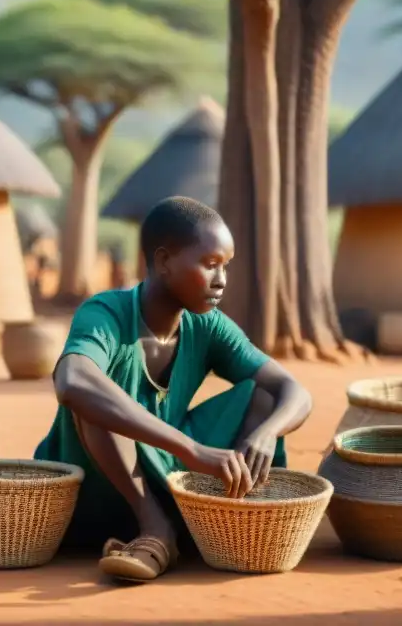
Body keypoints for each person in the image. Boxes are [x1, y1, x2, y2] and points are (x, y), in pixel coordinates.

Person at [34, 196, 313, 583]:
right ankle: (156, 530)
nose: (222, 279)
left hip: (168, 475)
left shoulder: (208, 325)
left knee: (265, 397)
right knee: (98, 397)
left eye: (225, 266)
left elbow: (294, 391)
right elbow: (73, 382)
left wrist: (267, 433)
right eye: (209, 264)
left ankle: (224, 519)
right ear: (164, 262)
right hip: (96, 486)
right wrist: (192, 450)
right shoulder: (106, 314)